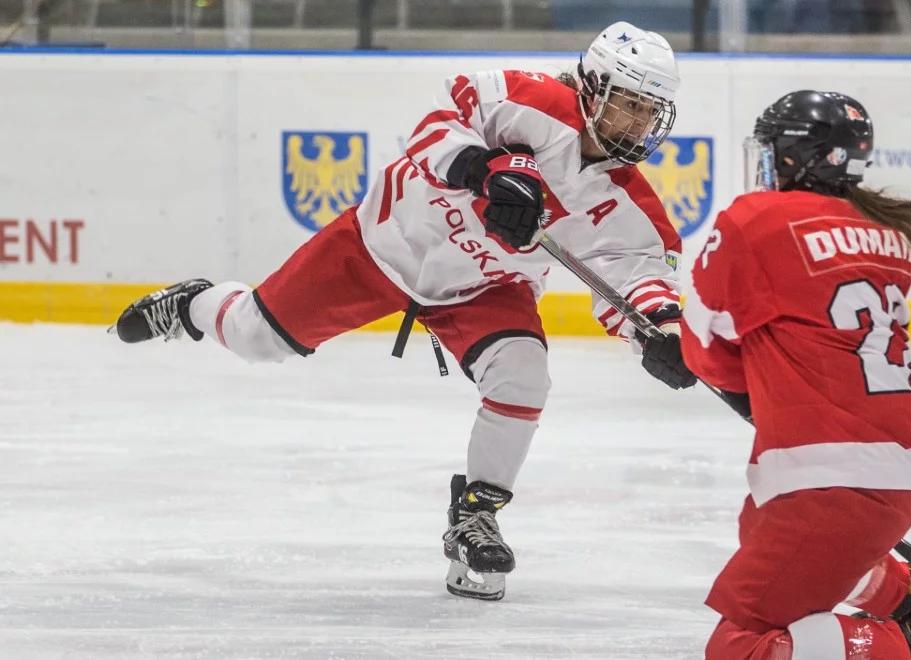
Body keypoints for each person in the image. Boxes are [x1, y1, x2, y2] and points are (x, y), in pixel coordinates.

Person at [109, 21, 694, 602]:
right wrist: (481, 168)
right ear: (591, 86)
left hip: (484, 287)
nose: (639, 125)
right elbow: (435, 123)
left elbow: (636, 279)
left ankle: (477, 515)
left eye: (650, 112)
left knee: (524, 374)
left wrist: (661, 333)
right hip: (379, 244)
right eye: (628, 105)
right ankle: (193, 305)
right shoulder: (525, 99)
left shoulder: (629, 207)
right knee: (253, 336)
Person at [666, 90, 911, 659]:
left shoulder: (757, 219)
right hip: (899, 460)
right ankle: (909, 597)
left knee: (739, 646)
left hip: (830, 471)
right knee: (759, 530)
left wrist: (681, 352)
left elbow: (705, 348)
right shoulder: (890, 233)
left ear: (799, 155)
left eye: (774, 148)